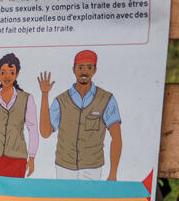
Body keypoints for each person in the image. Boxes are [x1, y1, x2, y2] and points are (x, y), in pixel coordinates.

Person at [38, 49, 123, 181]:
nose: (84, 71)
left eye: (89, 67)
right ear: (74, 69)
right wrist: (44, 95)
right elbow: (45, 132)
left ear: (95, 70)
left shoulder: (106, 99)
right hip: (64, 167)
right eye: (80, 67)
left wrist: (113, 173)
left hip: (92, 168)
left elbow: (116, 138)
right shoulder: (61, 100)